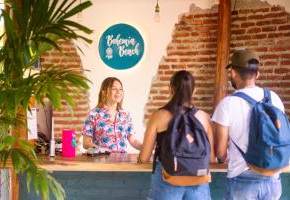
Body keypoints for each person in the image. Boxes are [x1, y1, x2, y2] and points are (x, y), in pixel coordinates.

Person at [212, 49, 285, 200]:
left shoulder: (227, 104)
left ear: (233, 72)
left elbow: (220, 152)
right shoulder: (274, 98)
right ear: (257, 74)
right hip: (272, 178)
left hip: (242, 179)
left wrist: (223, 158)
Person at [139, 70, 215, 200]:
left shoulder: (159, 116)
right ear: (194, 90)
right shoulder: (204, 118)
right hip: (198, 183)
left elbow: (145, 157)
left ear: (171, 88)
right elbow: (211, 158)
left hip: (167, 180)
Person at [82, 77, 142, 152]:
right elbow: (86, 143)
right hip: (101, 161)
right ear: (104, 92)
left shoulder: (126, 115)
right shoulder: (93, 114)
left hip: (123, 162)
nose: (118, 92)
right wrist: (103, 151)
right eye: (114, 89)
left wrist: (146, 147)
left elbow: (133, 140)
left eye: (120, 89)